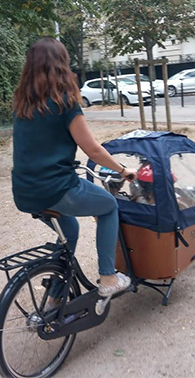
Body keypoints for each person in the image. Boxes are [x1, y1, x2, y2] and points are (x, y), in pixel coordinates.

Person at [11, 38, 137, 303]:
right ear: (62, 65)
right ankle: (108, 278)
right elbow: (92, 149)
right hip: (57, 188)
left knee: (70, 232)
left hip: (25, 192)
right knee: (109, 206)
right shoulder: (65, 103)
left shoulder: (22, 104)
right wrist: (123, 169)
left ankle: (56, 292)